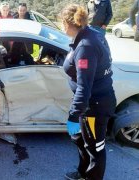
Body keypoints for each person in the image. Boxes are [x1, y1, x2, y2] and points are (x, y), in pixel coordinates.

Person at [61, 4, 116, 180]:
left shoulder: (85, 46)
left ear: (68, 23)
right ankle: (82, 173)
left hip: (94, 106)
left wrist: (72, 115)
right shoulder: (91, 34)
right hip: (90, 104)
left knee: (95, 148)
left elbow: (85, 88)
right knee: (82, 141)